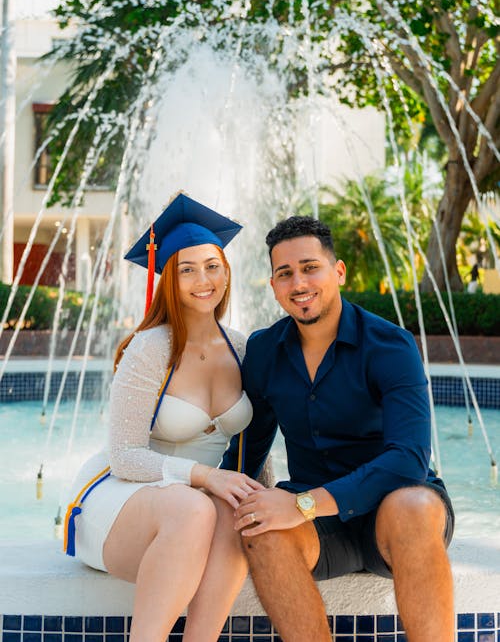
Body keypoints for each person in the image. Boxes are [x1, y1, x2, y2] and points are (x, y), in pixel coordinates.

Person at [222, 215, 455, 642]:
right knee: (262, 531)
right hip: (322, 531)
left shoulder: (391, 345)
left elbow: (408, 461)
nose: (299, 283)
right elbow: (246, 449)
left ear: (338, 272)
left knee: (415, 506)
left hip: (395, 513)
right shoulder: (263, 351)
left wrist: (306, 504)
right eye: (285, 273)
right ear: (273, 286)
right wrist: (201, 492)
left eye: (310, 267)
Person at [65, 193, 263, 642]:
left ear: (227, 271)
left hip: (195, 514)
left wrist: (258, 494)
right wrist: (204, 477)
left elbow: (254, 445)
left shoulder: (245, 348)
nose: (202, 279)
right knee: (194, 506)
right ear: (168, 280)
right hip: (128, 498)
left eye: (212, 265)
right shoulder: (151, 348)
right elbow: (125, 457)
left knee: (238, 512)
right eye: (186, 269)